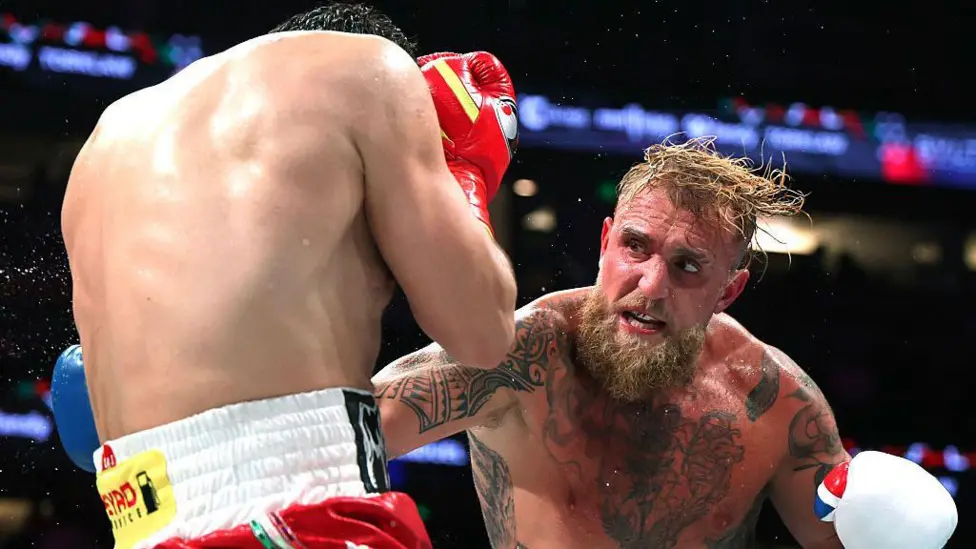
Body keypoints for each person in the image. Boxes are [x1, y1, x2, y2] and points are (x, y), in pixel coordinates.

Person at [53, 3, 519, 548]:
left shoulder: (110, 132)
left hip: (139, 525)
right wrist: (464, 177)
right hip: (300, 512)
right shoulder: (375, 70)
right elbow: (483, 333)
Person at [373, 138, 958, 549]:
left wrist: (896, 528)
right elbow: (343, 434)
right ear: (605, 242)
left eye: (687, 265)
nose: (651, 286)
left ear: (728, 291)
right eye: (635, 247)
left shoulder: (775, 400)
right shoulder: (520, 355)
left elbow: (839, 538)